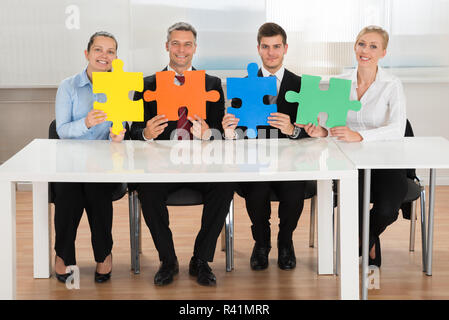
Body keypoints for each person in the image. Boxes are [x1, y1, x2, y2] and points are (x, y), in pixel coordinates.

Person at [130, 22, 234, 286]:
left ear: (195, 48)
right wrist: (145, 134)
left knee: (225, 186)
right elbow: (132, 132)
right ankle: (168, 260)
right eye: (175, 43)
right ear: (166, 46)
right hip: (161, 165)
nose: (181, 49)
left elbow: (219, 135)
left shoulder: (211, 84)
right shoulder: (147, 85)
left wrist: (209, 133)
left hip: (201, 165)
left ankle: (200, 259)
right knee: (147, 189)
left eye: (187, 44)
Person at [298, 25, 407, 267]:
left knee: (388, 210)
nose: (365, 50)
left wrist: (361, 136)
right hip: (349, 161)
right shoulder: (340, 83)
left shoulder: (392, 84)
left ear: (383, 53)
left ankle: (363, 239)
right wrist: (322, 131)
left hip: (386, 160)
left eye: (373, 46)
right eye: (361, 44)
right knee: (351, 205)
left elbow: (398, 129)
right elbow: (332, 124)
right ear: (355, 47)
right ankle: (366, 245)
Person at [222, 22, 309, 271]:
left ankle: (285, 241)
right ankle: (261, 243)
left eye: (276, 47)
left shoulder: (301, 85)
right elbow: (237, 133)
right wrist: (229, 131)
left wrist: (292, 129)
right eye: (266, 47)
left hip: (291, 162)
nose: (271, 52)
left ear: (285, 48)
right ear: (258, 49)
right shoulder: (242, 85)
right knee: (256, 192)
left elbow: (312, 134)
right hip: (255, 161)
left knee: (293, 193)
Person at [53, 31, 126, 283]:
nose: (104, 56)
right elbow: (61, 130)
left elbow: (123, 123)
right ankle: (63, 254)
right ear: (87, 53)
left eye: (110, 51)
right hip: (71, 161)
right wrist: (84, 122)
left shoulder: (122, 85)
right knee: (67, 196)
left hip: (104, 162)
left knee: (98, 194)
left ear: (116, 58)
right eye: (98, 49)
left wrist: (118, 135)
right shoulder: (68, 86)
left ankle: (104, 254)